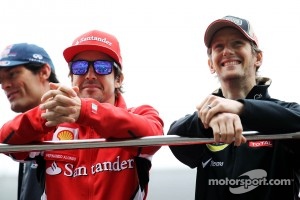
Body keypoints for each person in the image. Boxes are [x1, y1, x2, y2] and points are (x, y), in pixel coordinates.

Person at [0, 30, 164, 200]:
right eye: (80, 67)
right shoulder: (51, 125)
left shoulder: (141, 114)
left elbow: (154, 137)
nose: (90, 75)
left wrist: (87, 112)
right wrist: (45, 114)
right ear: (71, 77)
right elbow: (5, 140)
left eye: (102, 67)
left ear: (118, 79)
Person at [167, 15, 300, 199]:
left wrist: (240, 108)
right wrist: (208, 117)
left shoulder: (286, 114)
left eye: (237, 44)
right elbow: (174, 138)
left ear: (258, 58)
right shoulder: (205, 120)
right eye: (218, 47)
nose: (227, 51)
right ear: (210, 64)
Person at [0, 43, 59, 200]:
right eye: (1, 80)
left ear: (44, 72)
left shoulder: (76, 122)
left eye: (12, 74)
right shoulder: (24, 130)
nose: (4, 86)